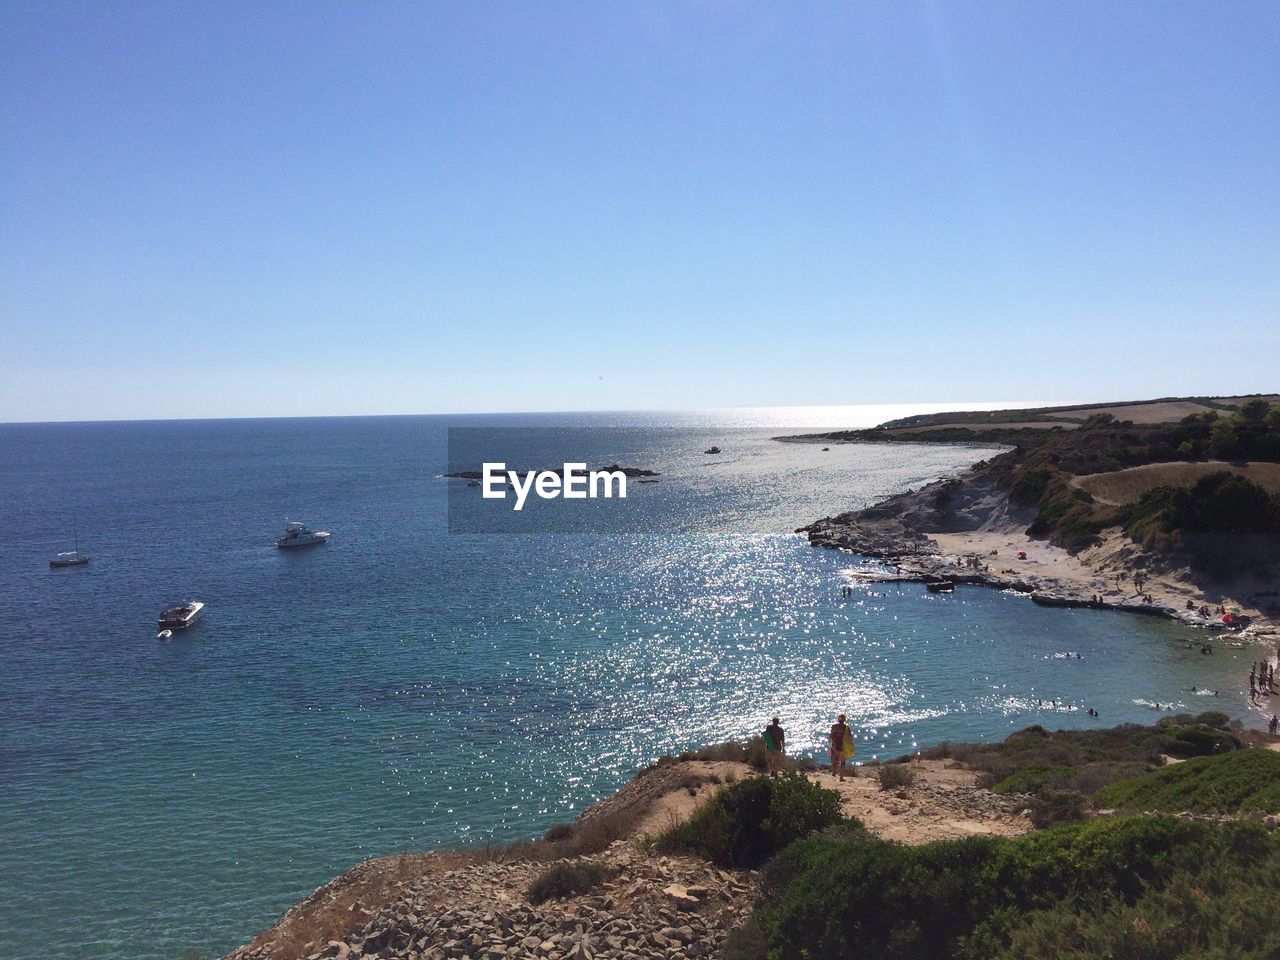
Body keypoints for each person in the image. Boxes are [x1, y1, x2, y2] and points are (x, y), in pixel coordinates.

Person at [829, 713, 853, 782]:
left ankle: (834, 772)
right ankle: (841, 777)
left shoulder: (834, 726)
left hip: (834, 745)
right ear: (844, 720)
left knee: (833, 759)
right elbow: (850, 737)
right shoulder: (846, 727)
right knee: (842, 762)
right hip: (842, 746)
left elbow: (831, 735)